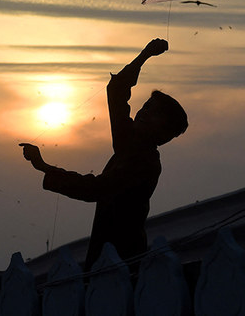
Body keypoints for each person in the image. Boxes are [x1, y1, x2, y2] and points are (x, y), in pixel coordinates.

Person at [20, 38, 187, 273]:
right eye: (145, 106)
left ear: (164, 131)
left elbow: (96, 189)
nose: (142, 112)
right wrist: (145, 55)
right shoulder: (129, 144)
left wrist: (46, 168)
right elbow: (117, 91)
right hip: (106, 257)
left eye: (152, 111)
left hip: (122, 260)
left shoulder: (144, 162)